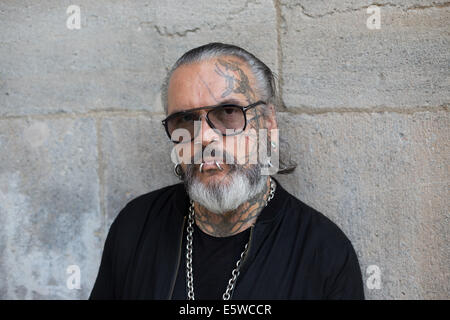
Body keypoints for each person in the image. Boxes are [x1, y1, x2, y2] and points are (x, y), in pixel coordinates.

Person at [89, 42, 365, 300]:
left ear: (268, 124)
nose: (204, 137)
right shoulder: (135, 226)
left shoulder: (324, 253)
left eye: (228, 112)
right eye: (185, 119)